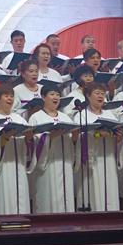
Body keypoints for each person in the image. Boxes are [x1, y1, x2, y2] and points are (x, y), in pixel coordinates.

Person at [73, 82, 123, 212]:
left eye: (102, 93)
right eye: (97, 93)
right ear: (88, 96)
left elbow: (118, 136)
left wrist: (118, 139)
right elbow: (77, 138)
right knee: (93, 193)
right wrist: (96, 134)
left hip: (109, 158)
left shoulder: (110, 115)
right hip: (92, 161)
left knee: (110, 194)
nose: (101, 96)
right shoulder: (81, 115)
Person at [0, 84, 32, 215]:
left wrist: (28, 139)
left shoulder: (19, 119)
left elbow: (29, 145)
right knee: (2, 200)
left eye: (11, 96)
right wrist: (3, 139)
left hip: (18, 165)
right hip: (2, 168)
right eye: (6, 96)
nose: (9, 99)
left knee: (21, 201)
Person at [27, 84, 77, 213]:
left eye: (58, 95)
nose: (56, 97)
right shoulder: (36, 117)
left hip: (64, 162)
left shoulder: (65, 117)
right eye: (52, 94)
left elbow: (72, 143)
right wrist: (50, 137)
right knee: (48, 199)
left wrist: (75, 137)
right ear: (43, 97)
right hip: (46, 165)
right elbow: (32, 143)